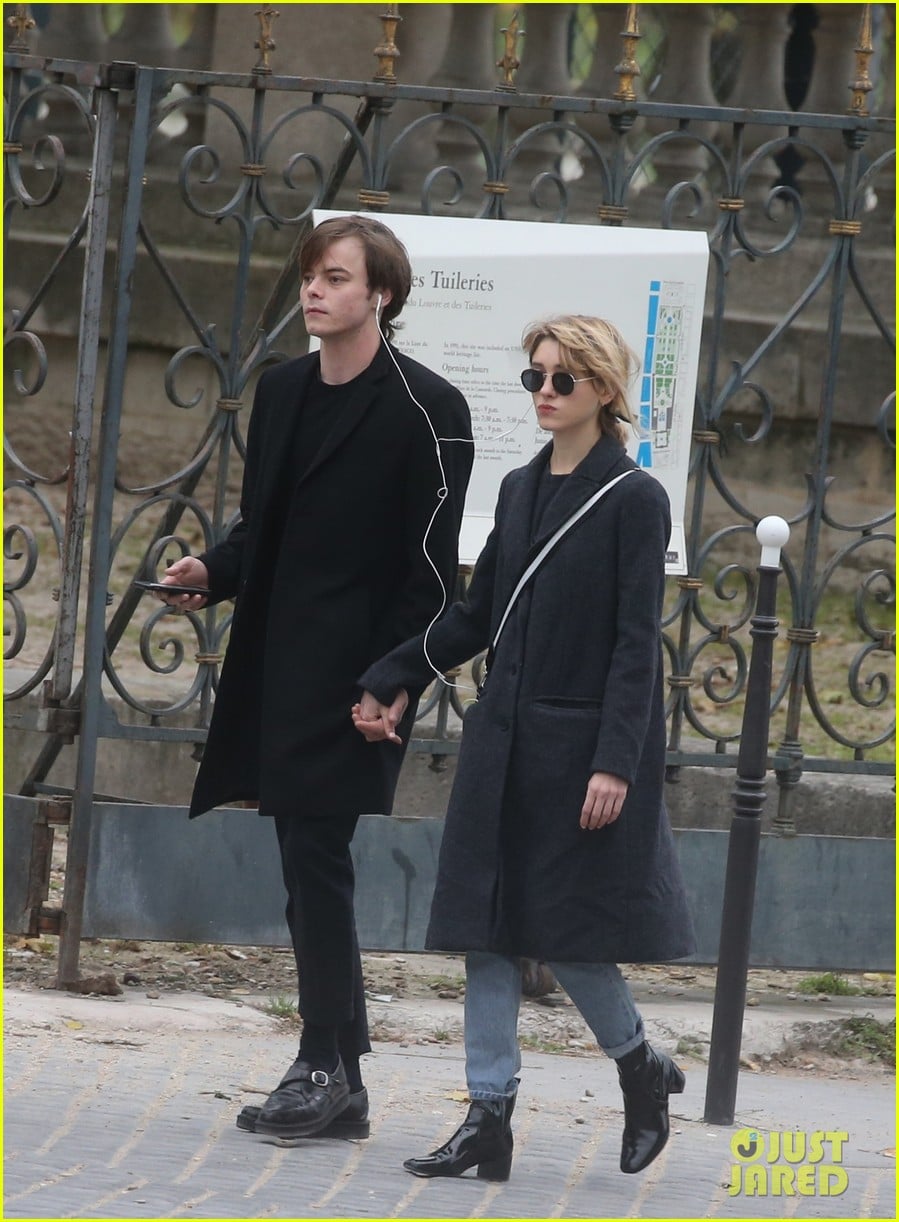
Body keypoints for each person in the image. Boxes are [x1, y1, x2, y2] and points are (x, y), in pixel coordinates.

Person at [353, 314, 696, 1181]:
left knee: (568, 933)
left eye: (561, 379)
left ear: (602, 391)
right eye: (533, 377)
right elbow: (477, 615)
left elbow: (635, 645)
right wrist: (394, 674)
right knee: (487, 929)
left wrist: (615, 762)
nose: (543, 392)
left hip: (575, 753)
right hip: (501, 742)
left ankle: (639, 1065)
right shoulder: (516, 487)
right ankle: (486, 1117)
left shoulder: (633, 498)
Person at [157, 214, 473, 1140]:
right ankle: (339, 1077)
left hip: (360, 677)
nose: (314, 291)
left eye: (335, 277)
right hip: (276, 667)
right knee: (307, 865)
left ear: (380, 294)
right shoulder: (285, 389)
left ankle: (323, 1063)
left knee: (316, 862)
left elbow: (430, 575)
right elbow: (264, 527)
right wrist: (212, 571)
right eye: (309, 276)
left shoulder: (428, 407)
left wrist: (394, 679)